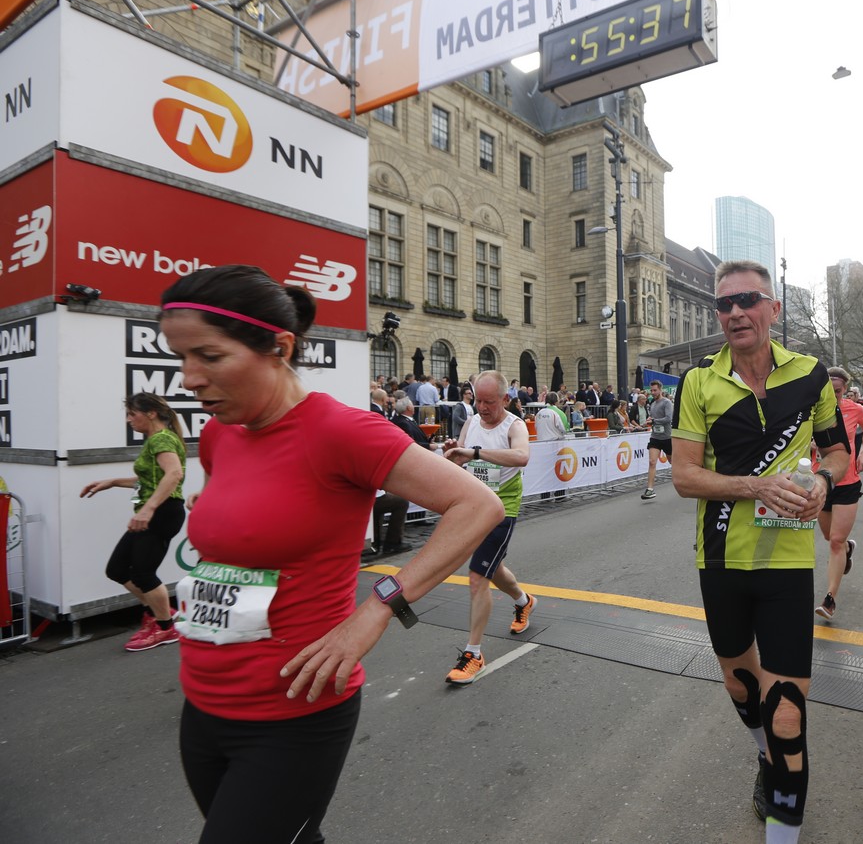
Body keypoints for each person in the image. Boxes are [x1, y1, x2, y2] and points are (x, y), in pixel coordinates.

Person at [158, 265, 503, 843]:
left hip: (293, 710)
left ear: (279, 347)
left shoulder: (341, 431)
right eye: (180, 357)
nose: (189, 378)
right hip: (203, 703)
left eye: (209, 357)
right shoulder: (220, 434)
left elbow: (477, 505)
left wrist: (378, 608)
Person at [671, 260, 849, 842]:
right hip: (720, 559)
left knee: (787, 711)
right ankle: (766, 756)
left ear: (774, 309)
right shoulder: (699, 381)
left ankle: (782, 821)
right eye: (724, 304)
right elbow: (684, 476)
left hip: (787, 562)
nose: (735, 312)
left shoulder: (811, 374)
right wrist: (754, 486)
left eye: (747, 300)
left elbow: (837, 452)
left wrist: (822, 480)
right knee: (740, 687)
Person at [441, 370, 536, 684]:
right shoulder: (471, 423)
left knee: (477, 576)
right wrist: (453, 454)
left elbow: (522, 456)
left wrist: (475, 452)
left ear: (505, 399)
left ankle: (474, 654)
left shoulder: (515, 425)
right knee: (493, 568)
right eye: (478, 401)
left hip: (501, 509)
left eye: (489, 402)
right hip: (474, 505)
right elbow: (461, 462)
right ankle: (524, 601)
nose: (482, 407)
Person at [80, 393, 188, 652]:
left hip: (161, 513)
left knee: (143, 573)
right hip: (155, 511)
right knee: (117, 569)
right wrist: (113, 482)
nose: (129, 420)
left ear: (151, 413)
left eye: (132, 414)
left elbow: (174, 474)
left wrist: (148, 510)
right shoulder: (155, 439)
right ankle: (159, 613)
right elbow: (151, 480)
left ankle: (165, 628)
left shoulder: (161, 438)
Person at [814, 370, 863, 621]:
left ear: (845, 389)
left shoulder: (855, 410)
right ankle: (849, 547)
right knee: (830, 536)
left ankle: (829, 600)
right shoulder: (812, 410)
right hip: (821, 481)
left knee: (835, 541)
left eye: (837, 391)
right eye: (829, 390)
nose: (833, 395)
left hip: (848, 481)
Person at [641, 380, 672, 500]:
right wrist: (649, 420)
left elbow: (668, 418)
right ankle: (650, 489)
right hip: (655, 437)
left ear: (660, 390)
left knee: (673, 462)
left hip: (667, 437)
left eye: (655, 390)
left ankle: (684, 481)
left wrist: (654, 421)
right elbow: (653, 418)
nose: (653, 392)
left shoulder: (667, 402)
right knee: (652, 462)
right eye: (651, 390)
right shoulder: (652, 404)